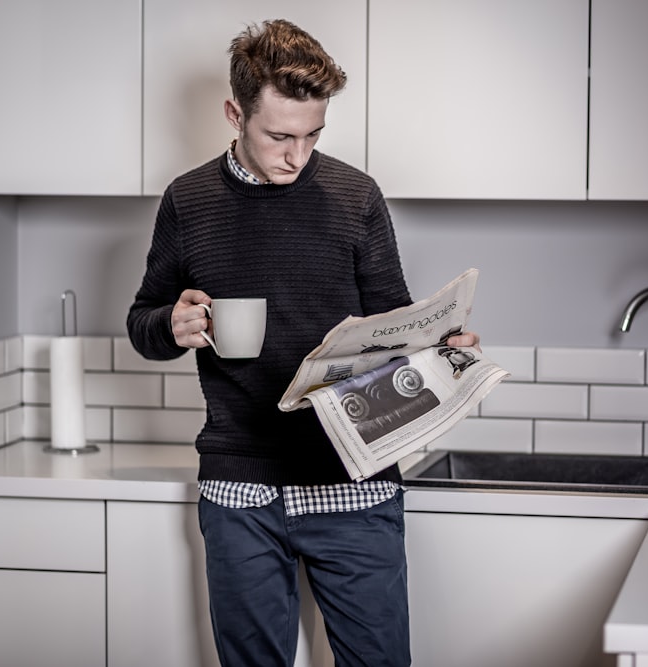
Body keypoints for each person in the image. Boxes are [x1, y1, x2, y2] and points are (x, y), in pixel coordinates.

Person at [127, 19, 479, 667]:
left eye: (314, 134)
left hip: (354, 482)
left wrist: (438, 346)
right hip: (239, 493)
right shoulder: (188, 201)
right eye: (279, 136)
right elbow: (143, 322)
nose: (298, 154)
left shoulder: (357, 198)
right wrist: (168, 325)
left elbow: (393, 327)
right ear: (235, 113)